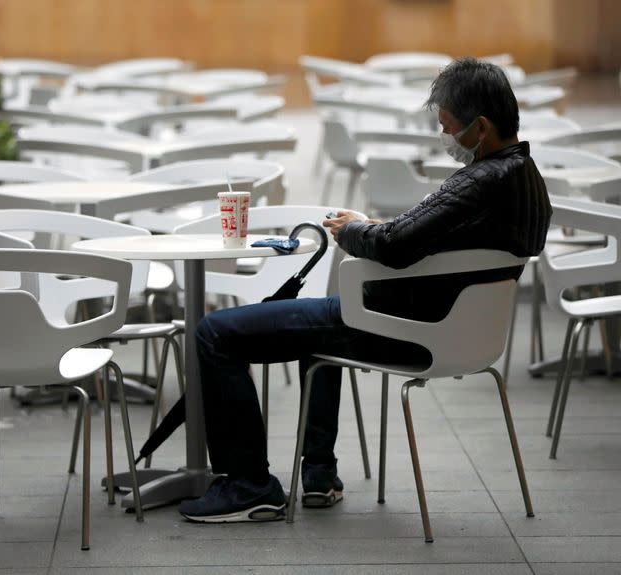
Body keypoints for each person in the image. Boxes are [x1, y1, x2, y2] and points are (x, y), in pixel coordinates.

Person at [178, 57, 552, 523]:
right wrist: (374, 226)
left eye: (447, 127)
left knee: (215, 332)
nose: (444, 138)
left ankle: (249, 485)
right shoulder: (527, 180)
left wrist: (352, 231)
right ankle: (317, 475)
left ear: (479, 127)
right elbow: (442, 238)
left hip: (393, 326)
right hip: (454, 329)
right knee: (316, 332)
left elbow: (395, 246)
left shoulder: (481, 181)